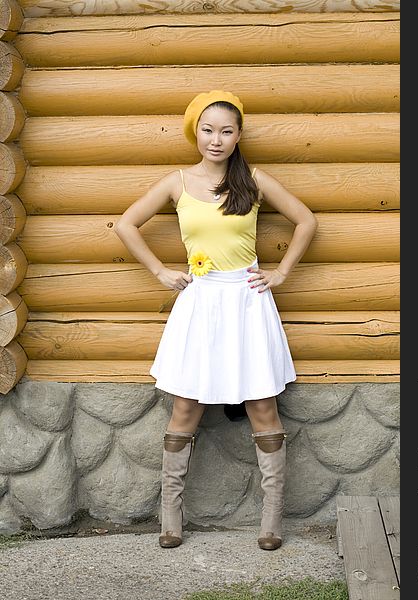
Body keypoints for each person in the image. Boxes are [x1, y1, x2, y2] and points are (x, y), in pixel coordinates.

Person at [115, 90, 318, 551]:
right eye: (208, 130)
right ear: (195, 133)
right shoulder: (177, 183)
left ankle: (270, 521)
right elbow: (126, 224)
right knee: (186, 406)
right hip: (200, 303)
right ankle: (170, 518)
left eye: (227, 131)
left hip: (247, 303)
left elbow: (305, 221)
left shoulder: (254, 180)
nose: (217, 139)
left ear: (238, 136)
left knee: (261, 406)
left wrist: (281, 273)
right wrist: (161, 272)